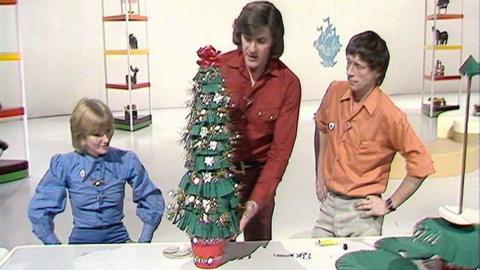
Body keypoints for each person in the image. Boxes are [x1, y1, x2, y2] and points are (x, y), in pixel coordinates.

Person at [312, 31, 435, 237]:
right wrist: (319, 175)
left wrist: (389, 204)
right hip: (328, 206)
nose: (350, 72)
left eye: (359, 67)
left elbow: (422, 164)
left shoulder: (390, 115)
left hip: (362, 215)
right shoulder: (334, 91)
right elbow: (321, 127)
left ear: (377, 72)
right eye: (349, 63)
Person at [28, 98, 165, 244]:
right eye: (97, 134)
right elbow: (39, 210)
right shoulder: (65, 165)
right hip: (81, 244)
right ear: (81, 136)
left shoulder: (125, 160)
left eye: (108, 131)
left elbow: (152, 199)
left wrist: (144, 242)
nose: (106, 139)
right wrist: (56, 248)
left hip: (119, 240)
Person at [218, 1, 301, 241]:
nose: (252, 48)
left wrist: (254, 204)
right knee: (218, 247)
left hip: (260, 177)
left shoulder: (289, 84)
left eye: (261, 41)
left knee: (259, 249)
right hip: (221, 176)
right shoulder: (220, 68)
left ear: (274, 41)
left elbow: (280, 153)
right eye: (248, 38)